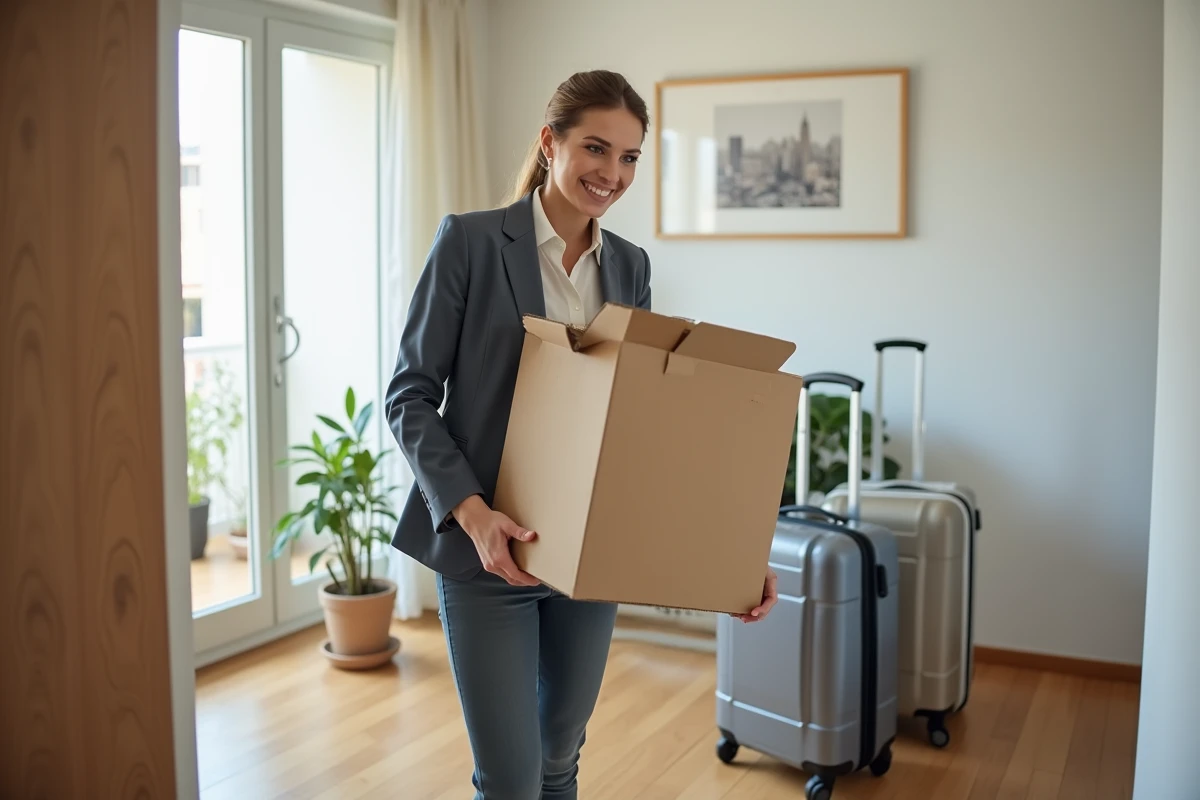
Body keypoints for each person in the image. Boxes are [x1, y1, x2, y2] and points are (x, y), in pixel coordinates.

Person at [385, 69, 779, 800]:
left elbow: (642, 428)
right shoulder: (471, 243)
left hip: (590, 563)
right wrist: (474, 517)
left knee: (560, 760)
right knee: (509, 780)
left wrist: (727, 557)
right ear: (550, 142)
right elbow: (409, 395)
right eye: (596, 149)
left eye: (629, 157)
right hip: (487, 558)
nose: (612, 173)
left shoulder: (629, 266)